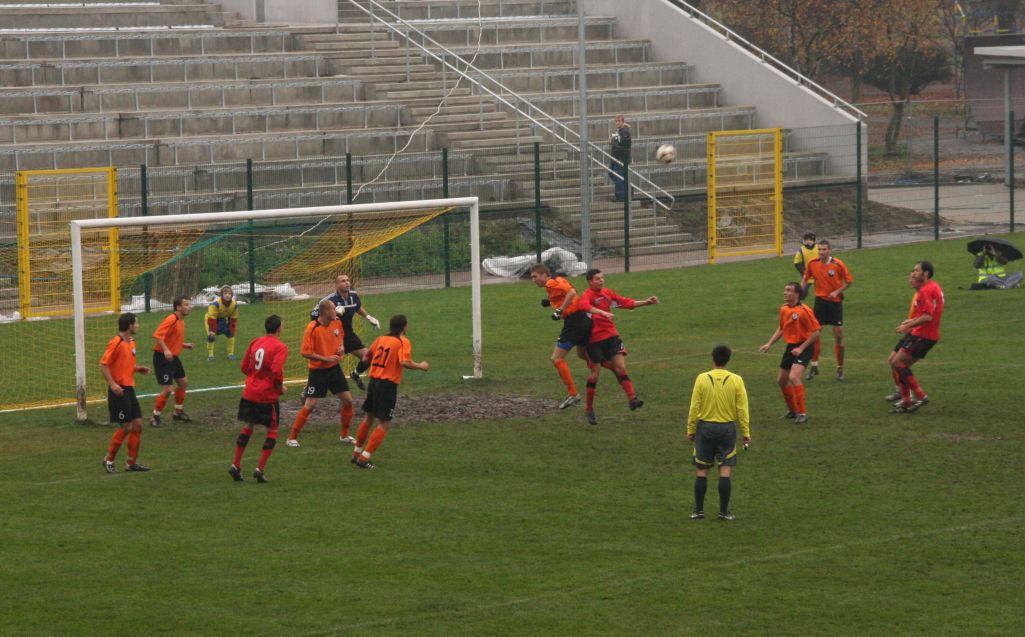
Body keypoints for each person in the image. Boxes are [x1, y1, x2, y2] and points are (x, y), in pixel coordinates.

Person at [577, 268, 658, 425]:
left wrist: (646, 302)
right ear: (589, 282)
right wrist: (603, 313)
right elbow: (584, 307)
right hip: (594, 341)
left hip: (611, 337)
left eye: (602, 278)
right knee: (595, 374)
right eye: (597, 278)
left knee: (620, 366)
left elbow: (625, 303)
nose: (601, 280)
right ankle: (589, 409)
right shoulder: (587, 296)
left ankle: (632, 399)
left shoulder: (608, 293)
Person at [351, 314, 429, 469]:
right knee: (384, 424)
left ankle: (356, 454)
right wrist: (421, 366)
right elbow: (404, 362)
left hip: (373, 382)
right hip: (387, 385)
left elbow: (366, 358)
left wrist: (357, 372)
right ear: (404, 327)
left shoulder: (380, 339)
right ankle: (365, 458)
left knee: (368, 419)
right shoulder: (402, 341)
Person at [686, 344, 751, 521]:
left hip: (705, 428)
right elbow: (742, 409)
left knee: (701, 470)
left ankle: (699, 511)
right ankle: (723, 512)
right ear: (728, 359)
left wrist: (691, 429)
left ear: (712, 358)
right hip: (727, 429)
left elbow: (694, 407)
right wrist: (746, 433)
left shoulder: (702, 378)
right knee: (725, 470)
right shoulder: (736, 380)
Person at [230, 314, 289, 484]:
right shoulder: (280, 347)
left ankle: (236, 465)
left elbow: (244, 367)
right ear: (279, 328)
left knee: (248, 426)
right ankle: (259, 469)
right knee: (272, 430)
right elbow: (277, 371)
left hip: (249, 392)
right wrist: (279, 387)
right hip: (267, 396)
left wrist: (254, 378)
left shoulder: (255, 342)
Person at [287, 299, 354, 447]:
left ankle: (345, 435)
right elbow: (305, 352)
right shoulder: (312, 328)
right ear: (325, 312)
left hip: (335, 369)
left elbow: (341, 336)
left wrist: (341, 347)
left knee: (348, 400)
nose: (335, 311)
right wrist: (326, 358)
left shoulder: (337, 322)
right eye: (332, 309)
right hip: (318, 371)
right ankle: (291, 437)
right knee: (310, 404)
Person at [530, 263, 592, 409]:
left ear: (545, 275)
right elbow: (566, 293)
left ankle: (573, 394)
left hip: (574, 323)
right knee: (583, 355)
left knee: (556, 358)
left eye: (535, 276)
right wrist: (550, 302)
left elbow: (571, 293)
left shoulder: (551, 284)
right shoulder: (557, 280)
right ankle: (617, 371)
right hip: (584, 319)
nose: (533, 280)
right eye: (532, 277)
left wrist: (560, 310)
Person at [759, 282, 820, 424]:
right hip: (791, 347)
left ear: (797, 294)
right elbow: (781, 328)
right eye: (785, 289)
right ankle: (792, 411)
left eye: (789, 290)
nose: (785, 292)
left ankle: (802, 413)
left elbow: (816, 332)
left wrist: (801, 348)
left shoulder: (804, 311)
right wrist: (769, 343)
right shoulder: (784, 309)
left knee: (793, 377)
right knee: (781, 381)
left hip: (804, 347)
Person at [312, 274, 380, 395]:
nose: (347, 283)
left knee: (369, 356)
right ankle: (308, 390)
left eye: (348, 280)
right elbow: (313, 316)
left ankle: (355, 374)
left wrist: (369, 317)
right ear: (337, 285)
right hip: (332, 337)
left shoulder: (353, 295)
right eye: (343, 281)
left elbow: (357, 307)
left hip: (348, 335)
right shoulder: (329, 300)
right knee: (326, 367)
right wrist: (334, 313)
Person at [890, 261, 944, 413]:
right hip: (926, 334)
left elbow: (928, 317)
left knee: (897, 363)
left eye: (916, 271)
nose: (913, 273)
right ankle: (907, 400)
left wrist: (908, 326)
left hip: (923, 335)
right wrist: (912, 321)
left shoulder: (925, 291)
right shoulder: (934, 286)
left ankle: (920, 395)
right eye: (912, 270)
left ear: (925, 274)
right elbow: (928, 313)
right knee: (898, 364)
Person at [101, 313, 152, 473]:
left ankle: (131, 463)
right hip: (119, 391)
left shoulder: (131, 342)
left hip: (129, 388)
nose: (138, 326)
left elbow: (123, 364)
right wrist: (113, 384)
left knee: (137, 425)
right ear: (129, 325)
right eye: (136, 323)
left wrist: (137, 369)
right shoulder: (115, 342)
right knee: (126, 427)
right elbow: (104, 364)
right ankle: (109, 460)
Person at [801, 239, 853, 381]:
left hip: (835, 303)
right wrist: (800, 292)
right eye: (819, 249)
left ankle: (840, 368)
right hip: (820, 302)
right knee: (815, 333)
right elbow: (805, 278)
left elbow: (849, 281)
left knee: (838, 335)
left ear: (829, 250)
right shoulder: (813, 264)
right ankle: (814, 366)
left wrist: (837, 291)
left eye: (824, 249)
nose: (821, 252)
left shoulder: (838, 264)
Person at [150, 296, 195, 427]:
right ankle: (155, 417)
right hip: (162, 358)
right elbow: (157, 335)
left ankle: (178, 413)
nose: (189, 307)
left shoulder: (181, 321)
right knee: (168, 389)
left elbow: (173, 339)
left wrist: (184, 345)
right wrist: (165, 350)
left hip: (173, 357)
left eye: (189, 304)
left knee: (183, 383)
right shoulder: (171, 319)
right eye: (186, 305)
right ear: (178, 307)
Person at [205, 285, 239, 361]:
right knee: (211, 336)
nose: (227, 295)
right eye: (225, 293)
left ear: (232, 295)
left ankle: (231, 353)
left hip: (222, 318)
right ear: (221, 295)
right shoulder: (215, 305)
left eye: (229, 293)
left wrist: (232, 328)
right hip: (210, 319)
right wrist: (212, 330)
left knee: (231, 334)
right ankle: (210, 355)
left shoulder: (234, 305)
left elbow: (233, 318)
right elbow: (212, 318)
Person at [608, 114, 631, 201]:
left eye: (619, 121)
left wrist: (612, 142)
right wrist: (612, 140)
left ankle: (621, 196)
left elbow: (622, 147)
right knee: (611, 174)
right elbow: (615, 139)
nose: (617, 123)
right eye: (616, 121)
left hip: (621, 158)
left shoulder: (625, 132)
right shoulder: (619, 131)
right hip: (614, 157)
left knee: (618, 177)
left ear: (623, 122)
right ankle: (624, 189)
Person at [792, 232, 819, 300]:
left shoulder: (819, 248)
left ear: (814, 241)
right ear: (803, 241)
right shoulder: (801, 250)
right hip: (807, 276)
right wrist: (803, 271)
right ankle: (797, 304)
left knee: (823, 291)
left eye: (810, 239)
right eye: (806, 240)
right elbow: (797, 263)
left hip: (819, 275)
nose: (808, 241)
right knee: (803, 292)